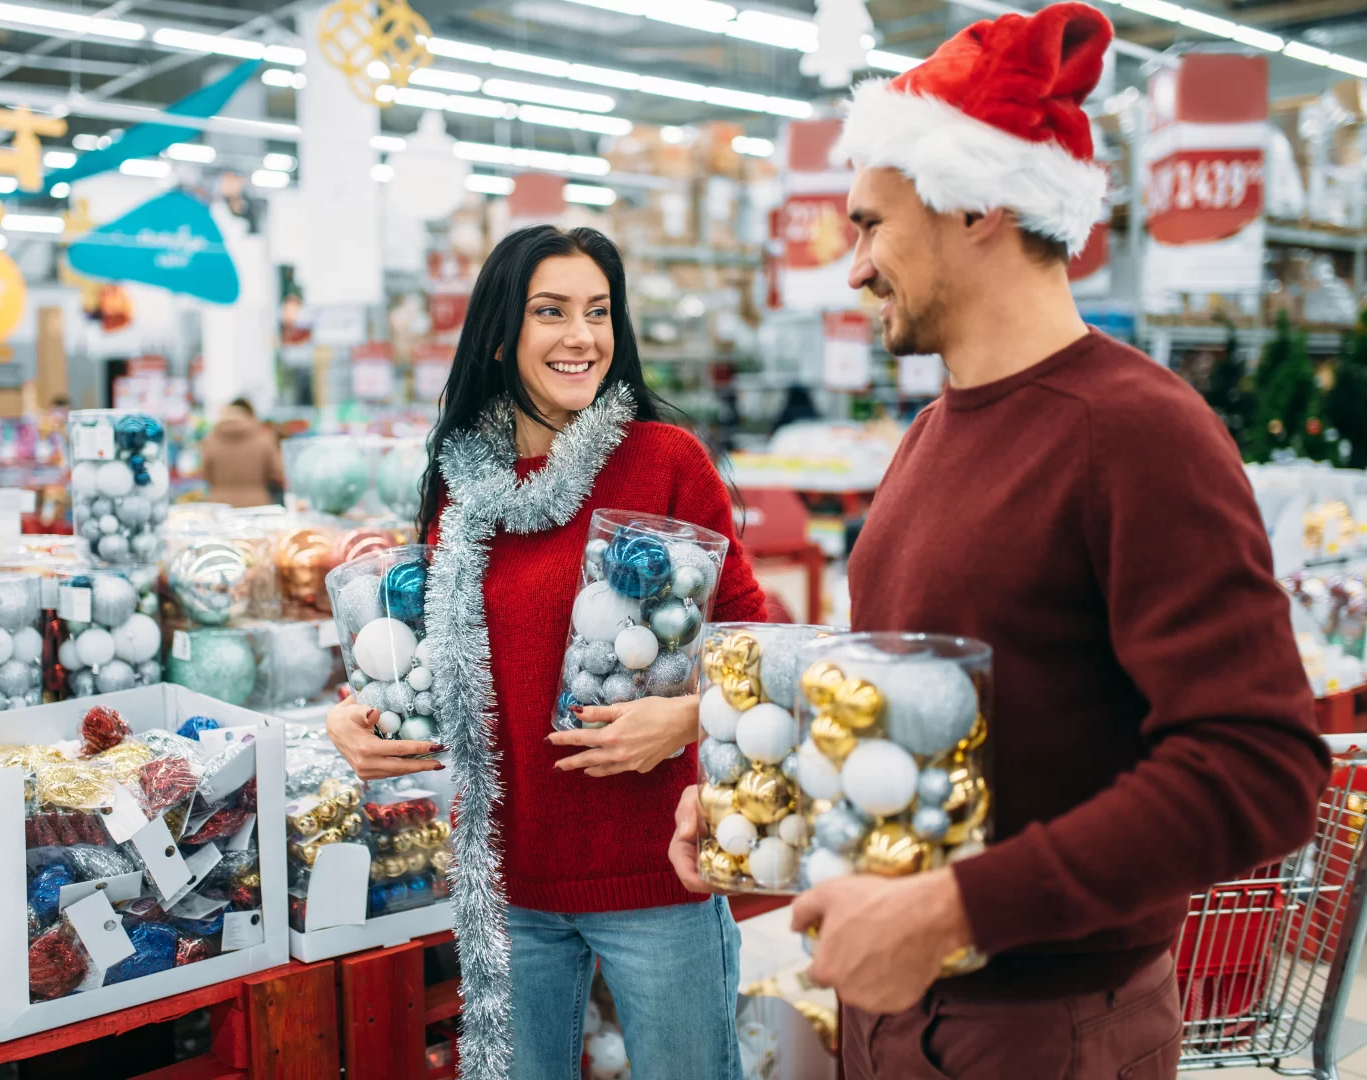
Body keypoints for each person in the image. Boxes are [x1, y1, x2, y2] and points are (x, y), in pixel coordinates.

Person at [670, 5, 1328, 1077]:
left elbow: (1259, 769)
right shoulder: (933, 431)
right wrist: (766, 797)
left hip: (1041, 1029)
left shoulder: (1135, 431)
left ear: (974, 203)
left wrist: (953, 909)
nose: (852, 267)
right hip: (893, 1010)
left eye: (872, 224)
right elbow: (937, 710)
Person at [326, 225, 766, 1080]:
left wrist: (683, 720)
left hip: (654, 875)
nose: (583, 337)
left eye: (599, 313)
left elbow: (758, 642)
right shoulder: (462, 484)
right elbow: (421, 658)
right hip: (508, 883)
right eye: (552, 312)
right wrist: (356, 718)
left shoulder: (663, 460)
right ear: (501, 335)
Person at [199, 397, 284, 507]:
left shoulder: (210, 440)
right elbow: (277, 472)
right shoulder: (264, 438)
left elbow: (206, 474)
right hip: (256, 504)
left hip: (220, 506)